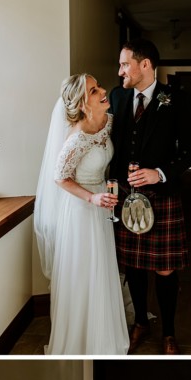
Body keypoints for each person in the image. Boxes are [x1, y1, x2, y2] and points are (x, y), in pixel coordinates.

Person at [109, 39, 191, 354]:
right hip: (124, 195)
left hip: (162, 195)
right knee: (133, 265)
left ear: (145, 64)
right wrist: (110, 188)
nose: (120, 71)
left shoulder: (175, 98)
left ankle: (169, 331)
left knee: (164, 268)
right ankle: (141, 323)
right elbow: (108, 148)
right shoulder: (117, 97)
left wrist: (158, 173)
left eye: (124, 64)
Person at [34, 73, 129, 355]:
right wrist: (92, 197)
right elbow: (59, 178)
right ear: (83, 103)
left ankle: (104, 334)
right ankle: (81, 340)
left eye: (98, 86)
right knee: (84, 271)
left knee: (102, 268)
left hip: (101, 204)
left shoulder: (106, 122)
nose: (103, 91)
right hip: (79, 210)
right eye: (94, 90)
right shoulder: (75, 140)